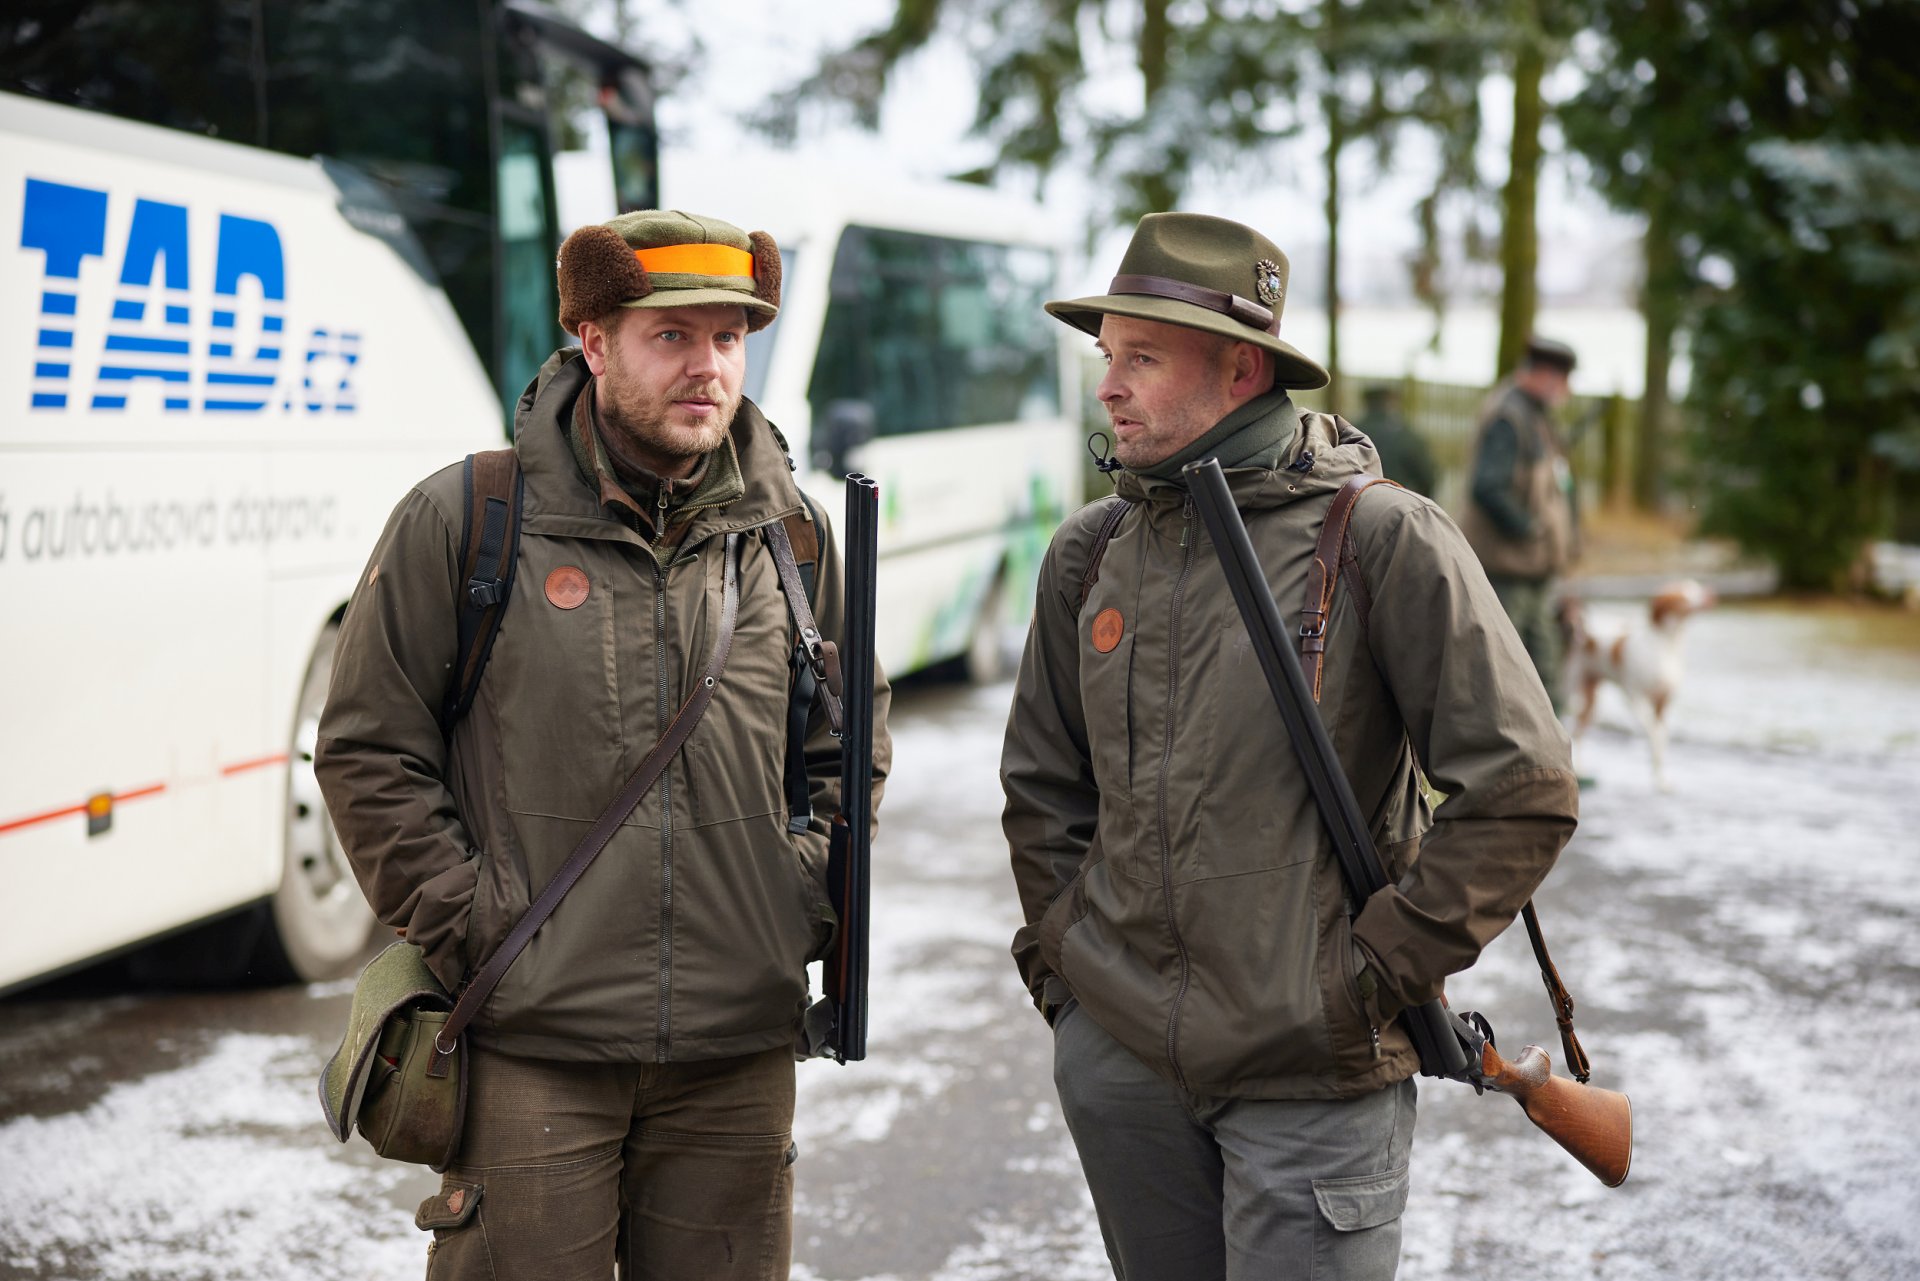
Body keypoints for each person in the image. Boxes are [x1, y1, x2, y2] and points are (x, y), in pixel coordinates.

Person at [1001, 212, 1578, 1280]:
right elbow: (1043, 788)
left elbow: (1522, 790)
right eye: (1107, 357)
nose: (1108, 388)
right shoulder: (1092, 551)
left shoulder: (1382, 537)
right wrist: (1072, 976)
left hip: (1313, 1086)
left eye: (1142, 358)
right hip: (1125, 1075)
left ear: (1241, 369)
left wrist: (1362, 981)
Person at [315, 209, 890, 1280]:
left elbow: (847, 748)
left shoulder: (794, 539)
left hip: (736, 1055)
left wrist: (794, 898)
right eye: (671, 336)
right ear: (593, 341)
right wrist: (474, 923)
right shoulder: (467, 518)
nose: (708, 367)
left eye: (728, 337)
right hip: (534, 1042)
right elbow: (367, 749)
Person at [1460, 336, 1580, 709]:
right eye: (1562, 380)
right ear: (1543, 375)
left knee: (1541, 673)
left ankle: (1552, 743)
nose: (1566, 391)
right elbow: (1488, 487)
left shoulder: (1534, 415)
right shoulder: (1509, 418)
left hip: (1530, 571)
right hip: (1508, 571)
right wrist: (1529, 529)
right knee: (1506, 674)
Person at [1354, 383, 1436, 497]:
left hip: (1354, 502)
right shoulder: (1407, 436)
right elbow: (1427, 478)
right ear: (1391, 403)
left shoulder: (1349, 432)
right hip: (1395, 501)